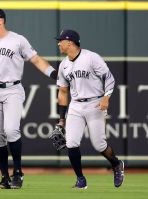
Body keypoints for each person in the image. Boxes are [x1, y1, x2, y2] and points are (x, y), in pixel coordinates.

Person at [0, 7, 57, 189]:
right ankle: (4, 177)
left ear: (1, 21)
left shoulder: (18, 40)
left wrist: (55, 75)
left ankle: (17, 172)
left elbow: (37, 60)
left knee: (11, 131)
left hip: (13, 89)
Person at [55, 29, 125, 189]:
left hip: (95, 103)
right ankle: (81, 179)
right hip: (76, 106)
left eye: (61, 40)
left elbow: (109, 78)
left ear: (70, 42)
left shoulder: (91, 57)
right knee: (71, 142)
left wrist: (106, 97)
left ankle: (116, 164)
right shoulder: (63, 65)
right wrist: (61, 119)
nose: (59, 43)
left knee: (99, 144)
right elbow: (63, 92)